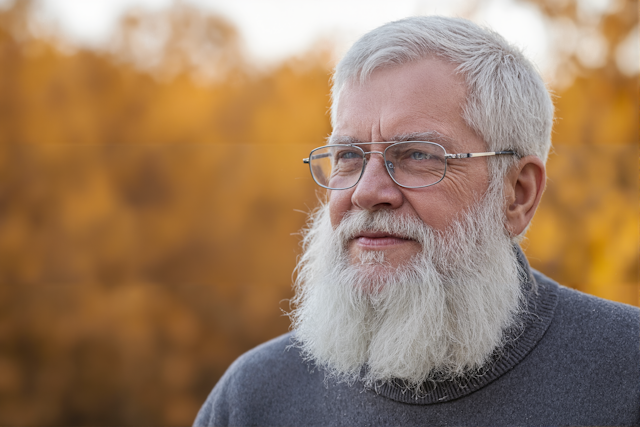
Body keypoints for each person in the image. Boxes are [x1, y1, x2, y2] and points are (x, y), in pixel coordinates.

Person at [194, 16, 640, 426]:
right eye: (349, 156)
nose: (367, 192)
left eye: (417, 156)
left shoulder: (627, 374)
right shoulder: (254, 399)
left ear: (518, 193)